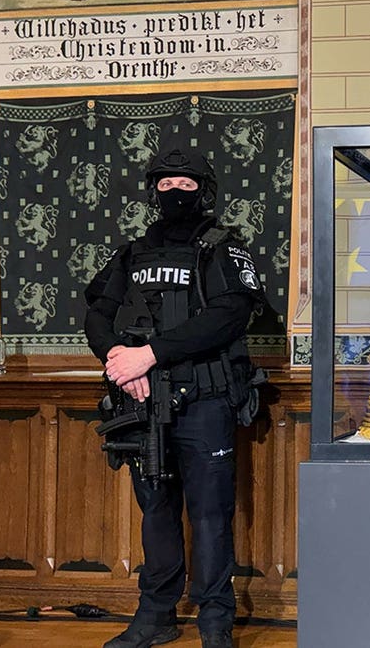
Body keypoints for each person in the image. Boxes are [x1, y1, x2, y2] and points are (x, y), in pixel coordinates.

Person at [85, 149, 265, 648]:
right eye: (165, 185)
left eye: (185, 184)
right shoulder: (132, 253)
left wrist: (151, 355)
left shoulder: (224, 248)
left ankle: (215, 622)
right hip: (141, 401)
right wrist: (120, 362)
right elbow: (98, 313)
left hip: (204, 400)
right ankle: (157, 615)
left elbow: (229, 314)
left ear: (203, 191)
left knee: (210, 514)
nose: (175, 193)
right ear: (152, 192)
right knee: (157, 510)